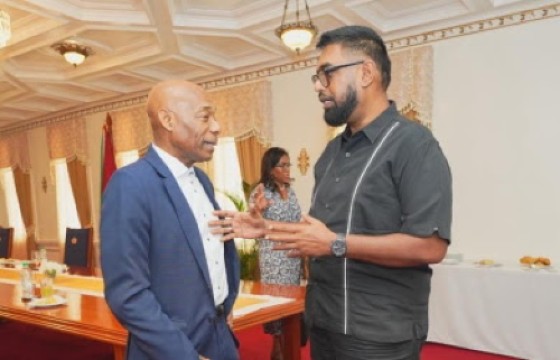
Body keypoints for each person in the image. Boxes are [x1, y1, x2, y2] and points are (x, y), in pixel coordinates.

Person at [212, 25, 452, 360]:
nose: (318, 86)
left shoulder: (414, 144)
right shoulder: (332, 152)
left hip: (377, 331)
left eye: (327, 74)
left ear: (366, 72)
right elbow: (320, 233)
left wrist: (336, 244)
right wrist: (267, 229)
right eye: (316, 77)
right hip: (324, 321)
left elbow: (431, 245)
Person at [101, 79, 240, 360]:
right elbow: (127, 295)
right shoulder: (130, 184)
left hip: (220, 338)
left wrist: (224, 304)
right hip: (170, 349)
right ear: (168, 120)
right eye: (205, 116)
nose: (216, 126)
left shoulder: (201, 179)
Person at [250, 147, 302, 360]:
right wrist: (258, 210)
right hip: (273, 256)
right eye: (284, 165)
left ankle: (282, 346)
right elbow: (252, 222)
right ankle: (279, 347)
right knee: (276, 301)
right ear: (271, 170)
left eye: (289, 164)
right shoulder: (262, 191)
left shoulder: (291, 191)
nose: (288, 169)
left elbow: (297, 219)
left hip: (292, 255)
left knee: (290, 301)